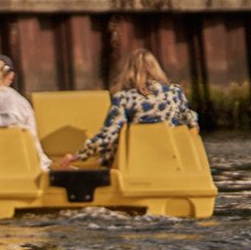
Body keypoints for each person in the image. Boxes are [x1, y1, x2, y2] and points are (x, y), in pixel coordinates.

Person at [61, 48, 196, 167]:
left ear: (129, 71)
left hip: (136, 162)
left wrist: (76, 156)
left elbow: (107, 136)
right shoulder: (175, 92)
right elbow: (190, 120)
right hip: (172, 160)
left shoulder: (125, 98)